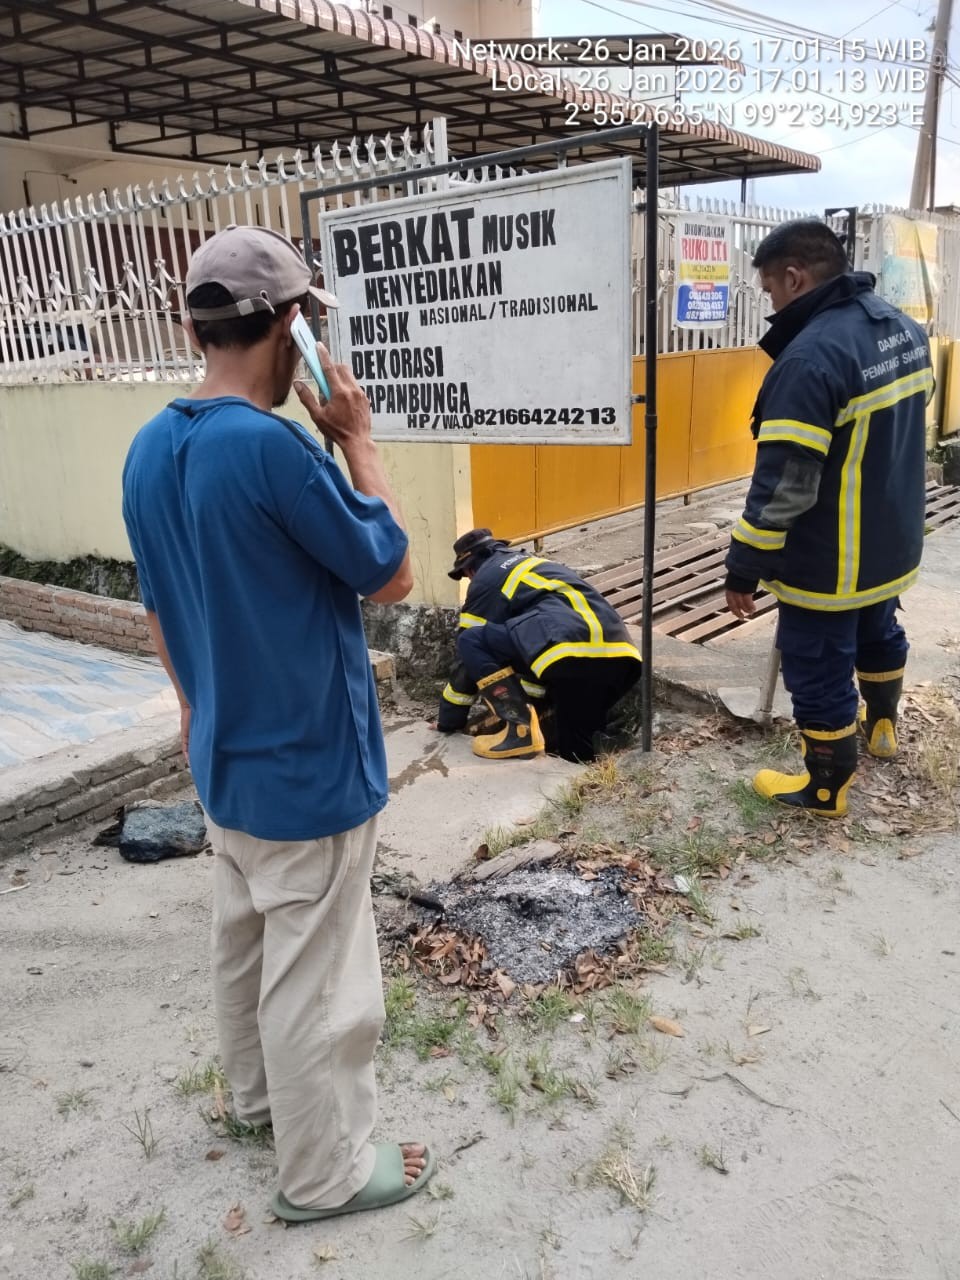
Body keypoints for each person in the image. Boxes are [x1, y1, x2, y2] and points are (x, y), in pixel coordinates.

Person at [121, 225, 435, 1223]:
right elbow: (392, 574)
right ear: (293, 325)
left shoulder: (150, 447)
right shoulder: (271, 448)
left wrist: (192, 708)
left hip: (223, 753)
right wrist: (358, 440)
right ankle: (322, 1173)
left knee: (245, 941)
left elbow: (158, 605)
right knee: (321, 979)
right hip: (308, 765)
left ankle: (260, 1104)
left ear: (194, 328)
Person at [725, 219, 933, 817]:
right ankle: (882, 727)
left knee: (817, 662)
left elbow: (786, 485)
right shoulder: (902, 329)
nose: (770, 302)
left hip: (831, 558)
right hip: (892, 542)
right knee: (879, 630)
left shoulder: (810, 358)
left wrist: (745, 564)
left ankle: (826, 787)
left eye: (769, 289)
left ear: (794, 277)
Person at [436, 528, 642, 761]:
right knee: (574, 747)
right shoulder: (536, 564)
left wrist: (448, 721)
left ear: (470, 567)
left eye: (466, 575)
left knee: (471, 639)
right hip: (619, 658)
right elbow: (526, 646)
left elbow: (466, 659)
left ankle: (520, 732)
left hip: (564, 650)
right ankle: (576, 766)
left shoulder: (486, 579)